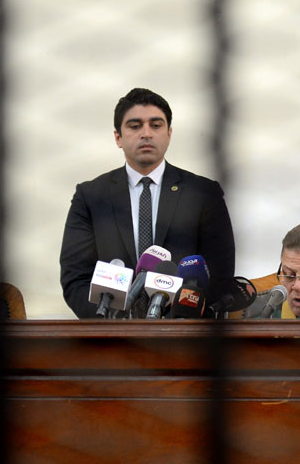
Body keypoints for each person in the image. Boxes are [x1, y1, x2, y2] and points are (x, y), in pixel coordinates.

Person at [60, 88, 236, 318]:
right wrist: (111, 323)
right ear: (118, 137)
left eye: (156, 125)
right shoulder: (91, 196)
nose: (146, 133)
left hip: (184, 338)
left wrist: (178, 321)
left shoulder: (203, 193)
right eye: (135, 126)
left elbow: (220, 275)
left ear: (169, 133)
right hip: (112, 339)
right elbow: (76, 278)